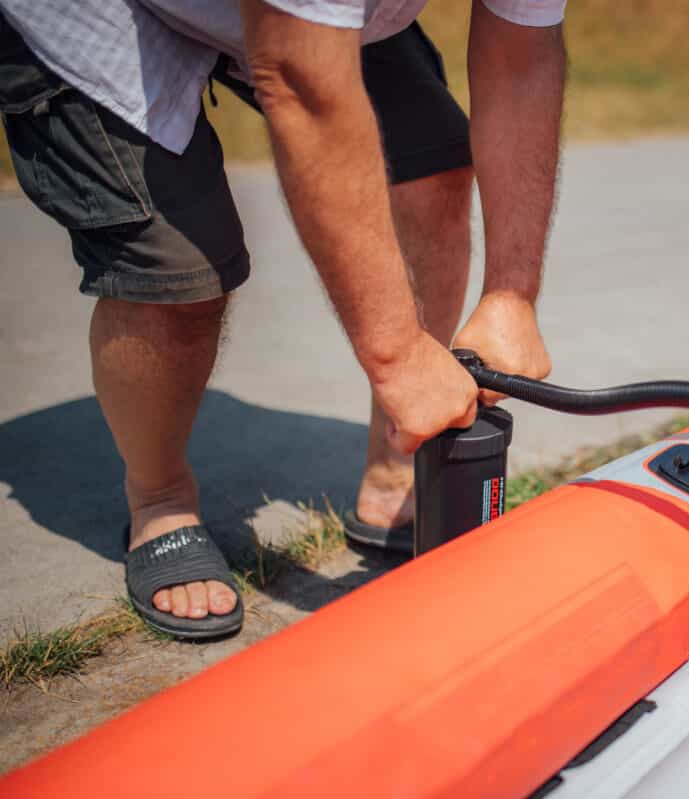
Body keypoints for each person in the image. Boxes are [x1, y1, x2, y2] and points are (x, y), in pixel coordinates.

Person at [0, 0, 564, 639]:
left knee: (428, 168)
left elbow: (520, 56)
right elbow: (301, 82)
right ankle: (160, 503)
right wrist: (397, 355)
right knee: (179, 273)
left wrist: (512, 294)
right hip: (102, 13)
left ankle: (394, 471)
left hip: (310, 15)